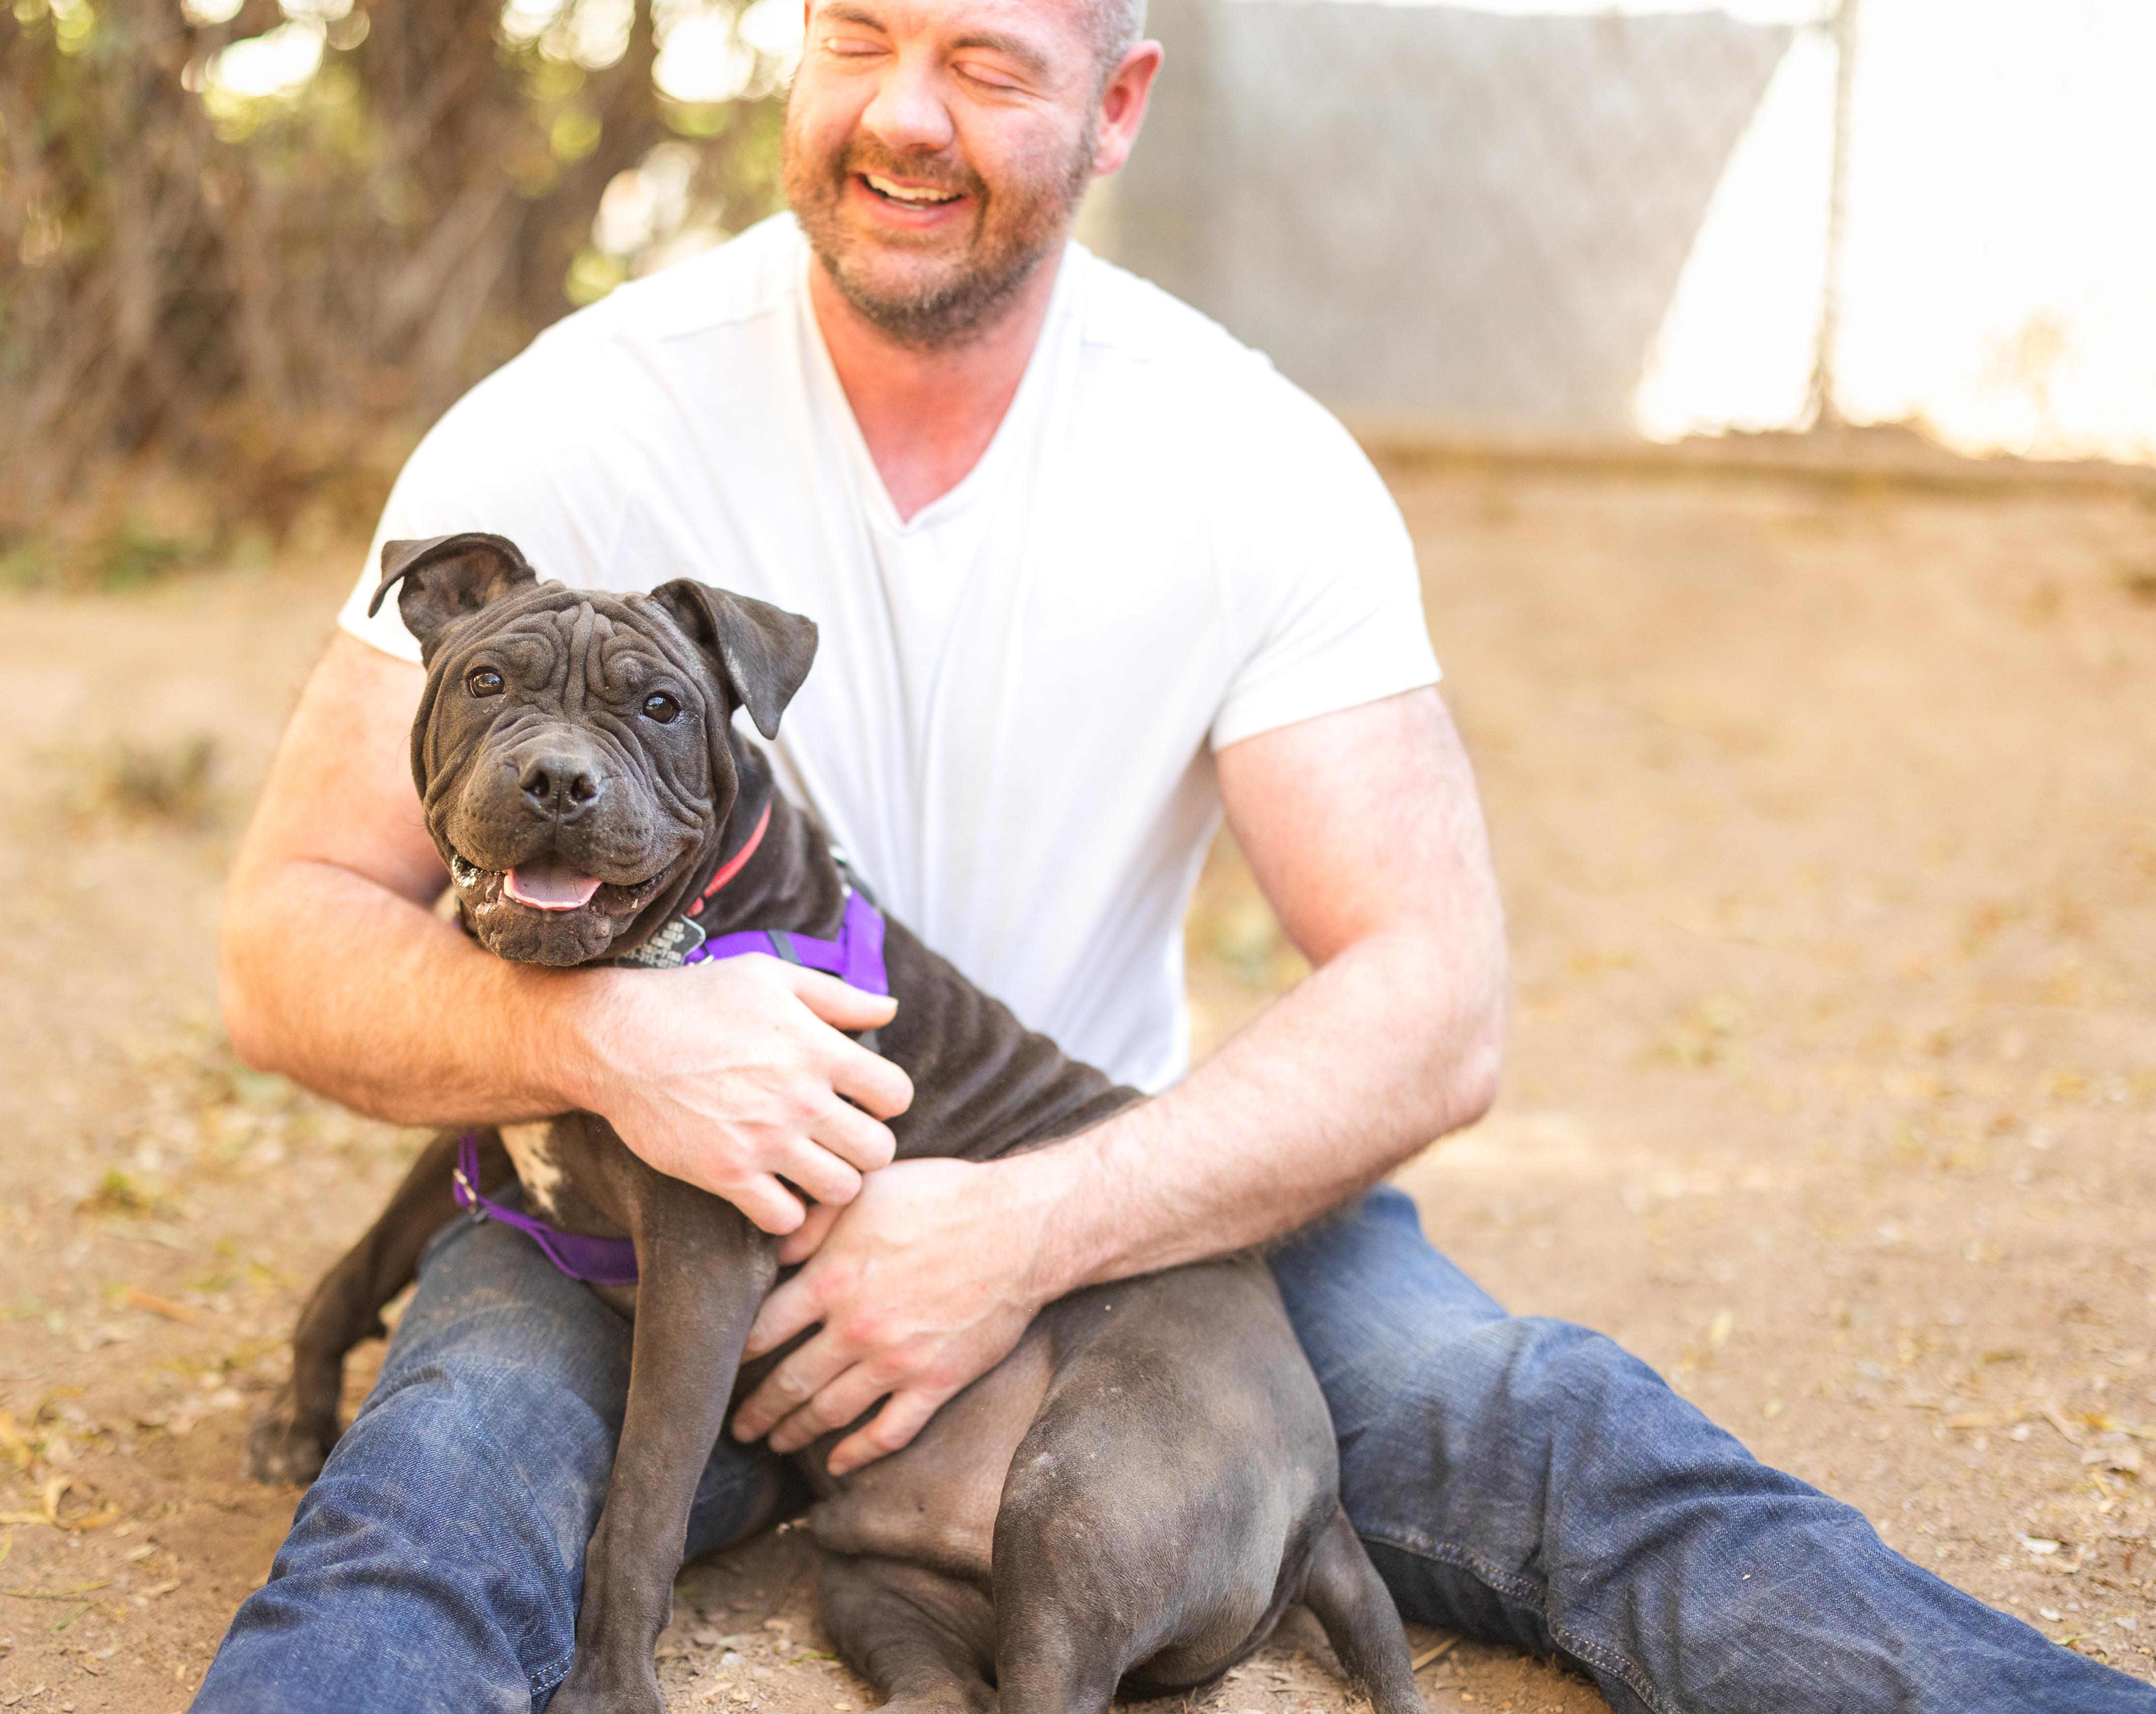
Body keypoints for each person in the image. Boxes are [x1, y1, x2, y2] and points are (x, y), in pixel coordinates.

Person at [194, 0, 2155, 1706]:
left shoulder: (1243, 457)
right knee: (433, 1494)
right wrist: (609, 1044)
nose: (904, 113)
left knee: (1563, 1439)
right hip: (641, 1210)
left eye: (985, 63)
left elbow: (1433, 990)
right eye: (859, 40)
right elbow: (283, 935)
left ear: (1118, 104)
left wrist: (1019, 1233)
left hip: (1107, 1217)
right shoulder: (568, 423)